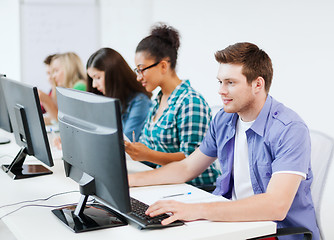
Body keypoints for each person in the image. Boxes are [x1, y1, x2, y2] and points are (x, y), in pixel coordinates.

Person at [128, 42, 320, 240]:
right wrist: (129, 181)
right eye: (220, 82)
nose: (221, 90)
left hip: (274, 232)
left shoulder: (289, 129)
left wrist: (198, 210)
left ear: (257, 84)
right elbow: (186, 168)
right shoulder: (224, 119)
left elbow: (276, 206)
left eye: (230, 82)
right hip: (231, 224)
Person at [125, 24, 220, 188]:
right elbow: (147, 145)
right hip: (167, 184)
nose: (138, 77)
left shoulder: (191, 102)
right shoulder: (159, 100)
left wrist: (148, 155)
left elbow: (191, 161)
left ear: (163, 66)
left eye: (142, 70)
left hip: (195, 188)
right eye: (137, 70)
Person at [86, 47, 152, 142]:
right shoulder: (105, 98)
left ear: (113, 76)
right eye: (92, 78)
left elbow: (125, 143)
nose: (94, 85)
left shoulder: (140, 102)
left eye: (98, 78)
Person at [39, 52, 87, 123]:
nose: (53, 76)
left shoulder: (79, 87)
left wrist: (46, 99)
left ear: (68, 68)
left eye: (56, 71)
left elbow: (64, 121)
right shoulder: (69, 89)